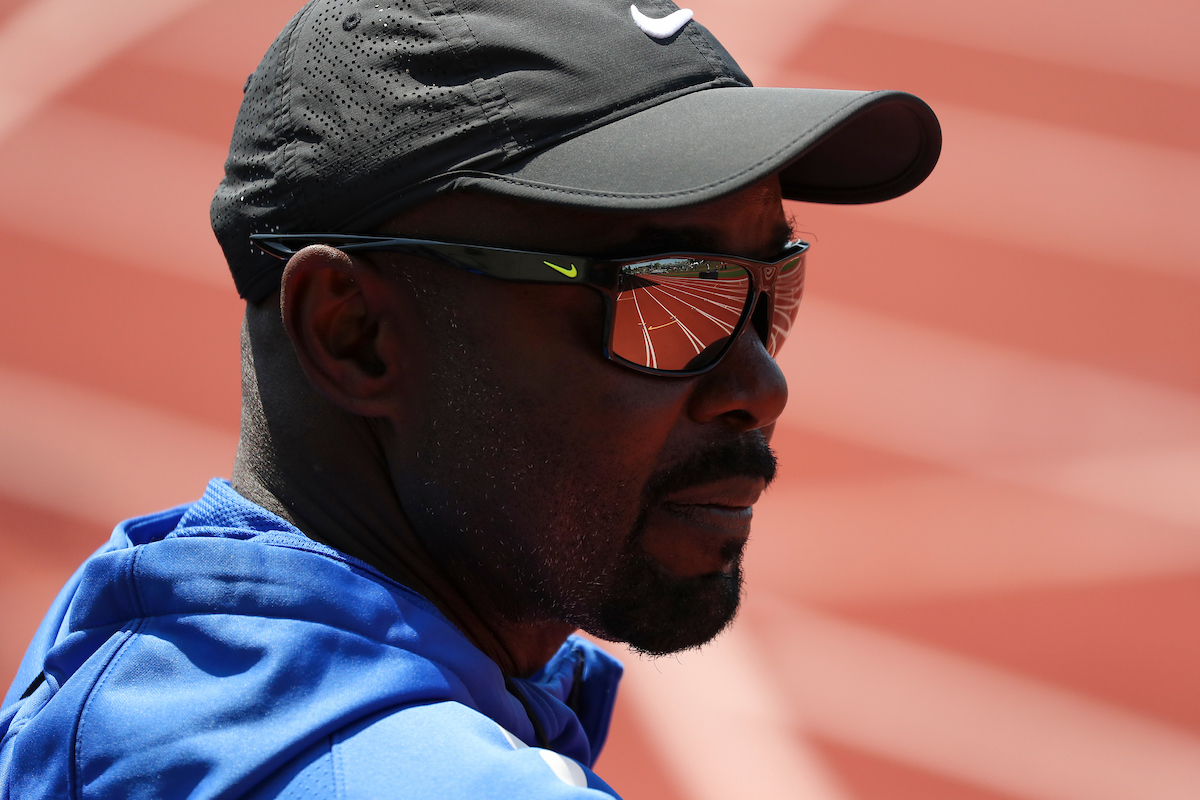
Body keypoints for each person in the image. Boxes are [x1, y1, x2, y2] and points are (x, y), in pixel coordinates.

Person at [0, 0, 939, 797]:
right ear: (353, 334)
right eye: (667, 297)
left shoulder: (122, 657)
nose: (761, 387)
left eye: (773, 289)